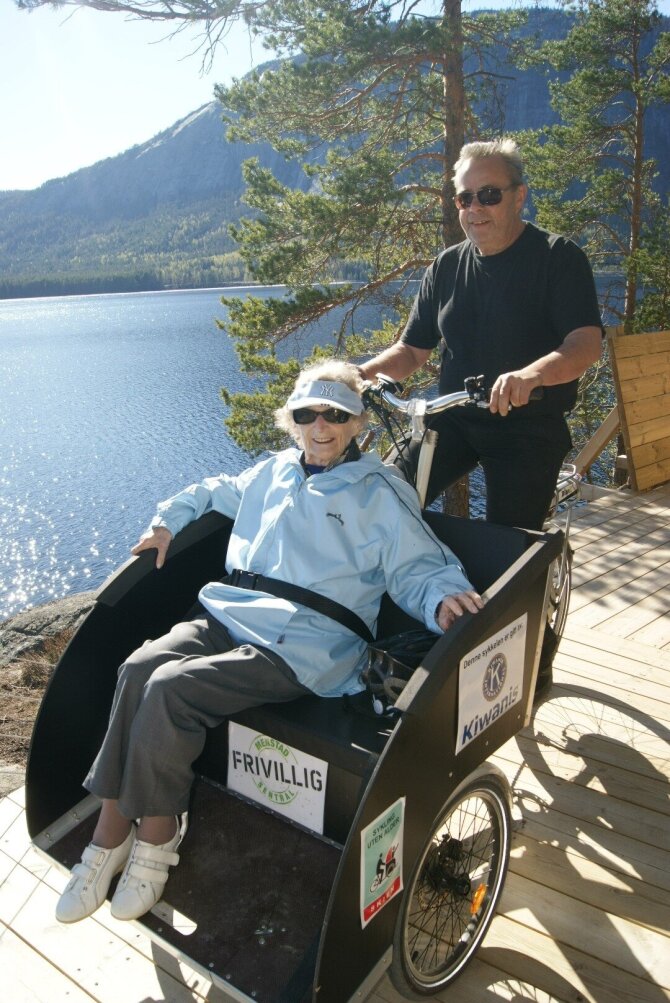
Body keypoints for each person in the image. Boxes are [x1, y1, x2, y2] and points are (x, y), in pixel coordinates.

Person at [55, 358, 483, 926]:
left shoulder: (378, 490)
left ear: (357, 422)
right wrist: (166, 522)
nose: (321, 426)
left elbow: (419, 565)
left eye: (337, 414)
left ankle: (154, 835)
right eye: (308, 414)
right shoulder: (272, 472)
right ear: (293, 421)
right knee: (138, 666)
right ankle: (110, 835)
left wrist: (444, 596)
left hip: (305, 643)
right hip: (234, 616)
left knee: (171, 688)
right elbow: (211, 491)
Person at [359, 137, 603, 532]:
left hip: (528, 426)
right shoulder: (446, 266)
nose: (475, 208)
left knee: (506, 549)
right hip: (454, 420)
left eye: (488, 195)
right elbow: (412, 349)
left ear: (518, 196)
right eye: (464, 198)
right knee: (383, 497)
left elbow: (585, 344)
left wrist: (532, 375)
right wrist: (359, 375)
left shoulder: (559, 258)